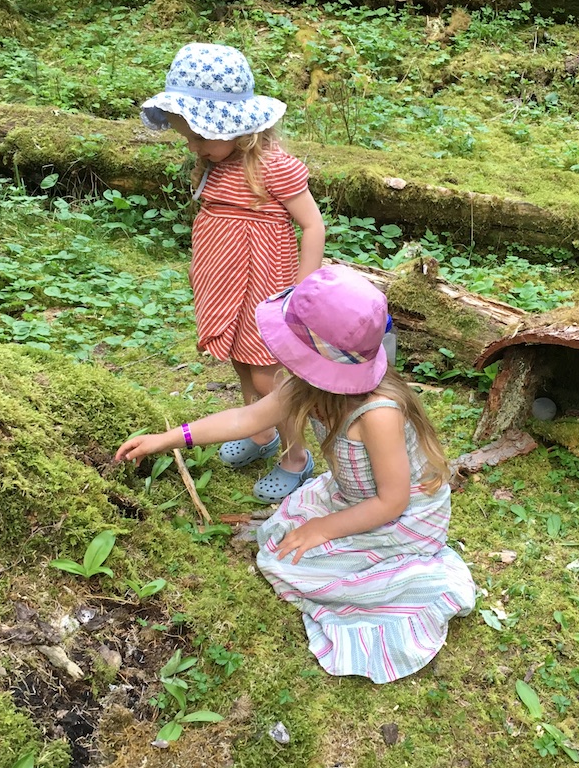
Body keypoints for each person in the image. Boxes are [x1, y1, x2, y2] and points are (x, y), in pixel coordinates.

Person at [115, 266, 476, 683]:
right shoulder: (305, 386)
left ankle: (409, 583)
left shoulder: (378, 414)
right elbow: (246, 418)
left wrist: (323, 528)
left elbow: (392, 500)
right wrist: (167, 439)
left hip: (402, 516)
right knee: (283, 538)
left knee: (293, 561)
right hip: (353, 497)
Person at [140, 42, 326, 503]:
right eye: (188, 136)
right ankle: (260, 434)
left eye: (199, 137)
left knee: (268, 377)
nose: (193, 146)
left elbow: (312, 225)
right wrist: (199, 272)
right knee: (242, 362)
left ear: (236, 129)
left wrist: (302, 290)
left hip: (265, 285)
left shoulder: (273, 167)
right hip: (225, 284)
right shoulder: (215, 162)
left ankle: (296, 456)